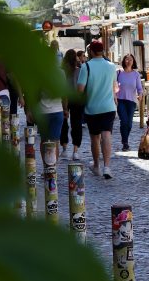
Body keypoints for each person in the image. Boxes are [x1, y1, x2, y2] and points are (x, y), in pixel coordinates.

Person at [76, 39, 117, 178]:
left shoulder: (86, 67)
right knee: (107, 135)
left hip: (92, 108)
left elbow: (80, 90)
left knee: (95, 138)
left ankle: (96, 165)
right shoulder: (112, 66)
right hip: (109, 107)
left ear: (91, 52)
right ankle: (107, 167)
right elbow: (114, 87)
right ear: (103, 51)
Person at [60, 49, 84, 160]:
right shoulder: (79, 70)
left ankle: (64, 148)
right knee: (76, 124)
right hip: (76, 99)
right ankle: (75, 150)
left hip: (63, 98)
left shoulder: (62, 71)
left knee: (63, 123)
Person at [117, 53, 143, 151]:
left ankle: (125, 139)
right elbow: (114, 86)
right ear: (123, 61)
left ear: (133, 62)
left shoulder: (136, 74)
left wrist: (140, 95)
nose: (128, 61)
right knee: (124, 121)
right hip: (120, 100)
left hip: (131, 101)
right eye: (126, 59)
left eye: (130, 60)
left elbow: (139, 88)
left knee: (129, 124)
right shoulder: (118, 73)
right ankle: (125, 142)